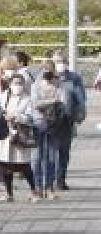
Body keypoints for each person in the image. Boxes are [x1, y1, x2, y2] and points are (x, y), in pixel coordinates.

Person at [48, 49, 87, 191]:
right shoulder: (47, 77)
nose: (61, 64)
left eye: (63, 61)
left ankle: (60, 179)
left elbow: (81, 98)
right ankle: (49, 179)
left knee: (64, 151)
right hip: (49, 120)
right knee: (50, 151)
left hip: (66, 119)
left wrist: (81, 113)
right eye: (58, 61)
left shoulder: (74, 78)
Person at [32, 60, 70, 201]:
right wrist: (52, 101)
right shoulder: (36, 85)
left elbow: (64, 102)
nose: (46, 74)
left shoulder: (59, 84)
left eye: (49, 72)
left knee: (51, 157)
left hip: (54, 125)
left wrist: (55, 89)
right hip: (38, 123)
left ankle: (49, 187)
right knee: (37, 158)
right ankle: (37, 187)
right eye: (44, 71)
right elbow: (34, 103)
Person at [0, 72, 36, 203]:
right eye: (15, 83)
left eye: (20, 83)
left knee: (24, 164)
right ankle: (8, 193)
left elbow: (31, 118)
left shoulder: (28, 99)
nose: (17, 86)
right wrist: (2, 116)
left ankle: (34, 191)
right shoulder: (2, 97)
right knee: (4, 164)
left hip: (20, 134)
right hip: (5, 135)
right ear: (10, 84)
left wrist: (16, 116)